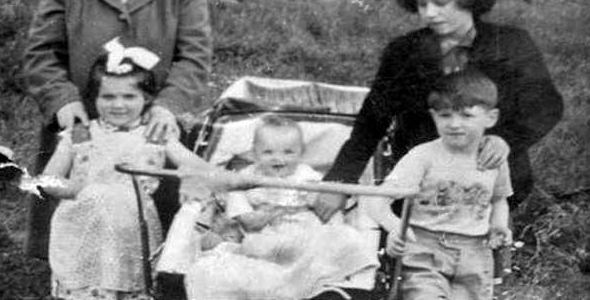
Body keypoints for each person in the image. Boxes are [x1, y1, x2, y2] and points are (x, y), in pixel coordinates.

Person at [23, 0, 212, 259]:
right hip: (82, 119)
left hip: (153, 122)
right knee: (74, 212)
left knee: (151, 226)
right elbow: (41, 53)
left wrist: (169, 107)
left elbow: (195, 57)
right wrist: (62, 99)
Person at [314, 0, 563, 221]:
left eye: (440, 3)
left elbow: (546, 105)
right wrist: (338, 182)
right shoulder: (403, 52)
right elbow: (372, 121)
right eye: (422, 4)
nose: (430, 13)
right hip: (419, 182)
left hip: (489, 179)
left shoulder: (510, 44)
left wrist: (506, 139)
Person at [41, 42, 213, 300]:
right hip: (83, 225)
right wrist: (72, 188)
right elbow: (45, 181)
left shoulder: (155, 134)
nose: (118, 105)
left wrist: (198, 178)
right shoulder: (79, 134)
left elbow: (198, 166)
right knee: (85, 286)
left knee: (130, 282)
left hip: (130, 230)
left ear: (147, 99)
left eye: (129, 96)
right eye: (108, 97)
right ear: (94, 98)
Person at [185, 114, 378, 300]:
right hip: (265, 232)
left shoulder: (307, 175)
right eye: (268, 152)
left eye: (288, 152)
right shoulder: (246, 176)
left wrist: (334, 225)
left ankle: (313, 281)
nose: (279, 159)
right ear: (254, 153)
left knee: (338, 237)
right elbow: (241, 210)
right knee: (251, 248)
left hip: (303, 231)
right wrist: (253, 216)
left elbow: (325, 203)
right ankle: (284, 282)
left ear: (300, 152)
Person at [367, 69, 513, 300]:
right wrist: (395, 227)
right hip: (425, 250)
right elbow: (376, 199)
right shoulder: (422, 157)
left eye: (466, 116)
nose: (455, 124)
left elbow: (499, 199)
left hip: (475, 254)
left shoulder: (493, 158)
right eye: (445, 115)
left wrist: (498, 226)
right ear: (433, 116)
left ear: (490, 118)